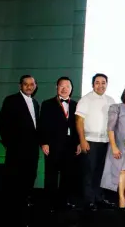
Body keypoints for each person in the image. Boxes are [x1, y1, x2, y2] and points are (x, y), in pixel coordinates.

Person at [38, 77, 81, 212]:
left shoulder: (76, 105)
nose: (64, 89)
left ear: (71, 89)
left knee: (67, 176)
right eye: (61, 86)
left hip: (70, 146)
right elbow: (42, 124)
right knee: (51, 175)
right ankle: (49, 204)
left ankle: (63, 202)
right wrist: (44, 143)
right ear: (57, 87)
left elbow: (78, 126)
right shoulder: (47, 104)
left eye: (67, 86)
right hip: (52, 145)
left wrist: (79, 143)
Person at [0, 75, 40, 210]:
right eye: (26, 84)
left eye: (32, 84)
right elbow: (2, 122)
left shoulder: (35, 103)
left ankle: (25, 199)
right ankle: (12, 204)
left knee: (30, 174)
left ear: (35, 86)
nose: (29, 86)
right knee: (14, 176)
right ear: (20, 86)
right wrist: (8, 143)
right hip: (16, 148)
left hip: (32, 148)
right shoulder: (11, 100)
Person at [75, 73, 116, 211]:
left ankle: (99, 198)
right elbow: (79, 121)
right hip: (90, 142)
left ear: (107, 84)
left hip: (105, 142)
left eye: (103, 82)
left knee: (101, 173)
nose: (100, 85)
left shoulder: (111, 100)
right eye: (97, 82)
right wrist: (82, 140)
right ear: (93, 84)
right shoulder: (86, 99)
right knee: (89, 173)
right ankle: (89, 201)